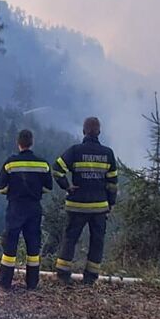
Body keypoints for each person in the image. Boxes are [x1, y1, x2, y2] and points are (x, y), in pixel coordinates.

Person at [53, 117, 118, 285]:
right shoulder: (108, 153)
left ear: (83, 132)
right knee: (97, 242)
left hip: (77, 206)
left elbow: (57, 169)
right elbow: (112, 183)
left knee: (70, 239)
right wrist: (110, 203)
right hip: (99, 207)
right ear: (99, 132)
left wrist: (67, 186)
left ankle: (63, 274)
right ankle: (90, 278)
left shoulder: (75, 151)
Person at [0, 129, 54, 289]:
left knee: (10, 245)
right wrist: (36, 192)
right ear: (32, 142)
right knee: (33, 245)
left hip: (15, 207)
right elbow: (49, 188)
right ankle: (32, 283)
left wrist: (13, 191)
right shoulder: (43, 164)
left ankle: (5, 281)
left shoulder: (10, 163)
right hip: (34, 207)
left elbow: (1, 188)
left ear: (18, 143)